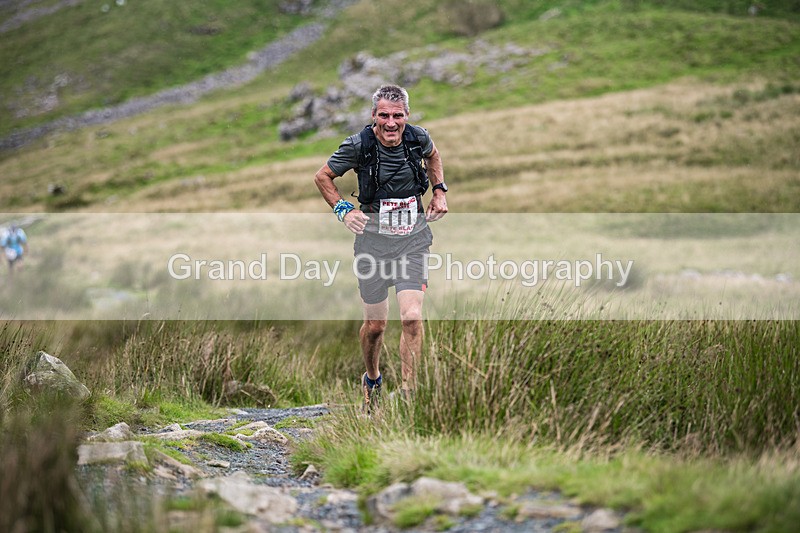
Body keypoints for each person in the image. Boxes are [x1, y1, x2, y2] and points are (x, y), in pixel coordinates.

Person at [314, 84, 448, 412]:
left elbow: (433, 156)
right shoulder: (358, 145)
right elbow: (323, 177)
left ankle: (409, 394)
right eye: (384, 115)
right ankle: (372, 378)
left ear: (407, 115)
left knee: (412, 317)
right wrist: (344, 211)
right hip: (372, 245)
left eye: (397, 115)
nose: (391, 123)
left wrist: (439, 191)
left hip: (413, 241)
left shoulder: (418, 138)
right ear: (373, 115)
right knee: (375, 327)